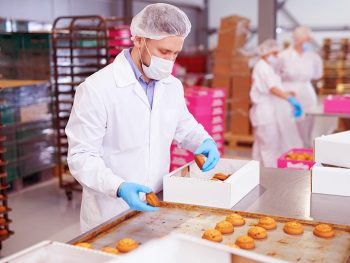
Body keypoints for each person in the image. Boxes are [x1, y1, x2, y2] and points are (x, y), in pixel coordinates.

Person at [65, 3, 220, 232]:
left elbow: (183, 125)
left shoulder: (172, 85)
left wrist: (203, 141)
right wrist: (118, 187)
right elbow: (81, 156)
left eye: (175, 53)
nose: (169, 61)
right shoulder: (97, 88)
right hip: (111, 208)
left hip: (157, 202)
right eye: (163, 52)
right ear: (139, 39)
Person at [250, 39, 303, 167]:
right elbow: (272, 88)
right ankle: (269, 174)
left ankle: (257, 172)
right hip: (264, 113)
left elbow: (273, 86)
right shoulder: (262, 67)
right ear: (266, 53)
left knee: (261, 145)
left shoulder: (267, 66)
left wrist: (287, 93)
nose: (277, 56)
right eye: (274, 53)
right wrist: (288, 98)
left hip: (267, 110)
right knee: (269, 147)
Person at [277, 26, 323, 148]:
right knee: (289, 128)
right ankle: (289, 156)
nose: (309, 42)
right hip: (288, 95)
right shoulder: (283, 56)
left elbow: (318, 75)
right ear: (298, 40)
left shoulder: (314, 57)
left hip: (307, 93)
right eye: (306, 40)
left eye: (309, 40)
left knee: (307, 128)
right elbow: (275, 76)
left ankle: (306, 155)